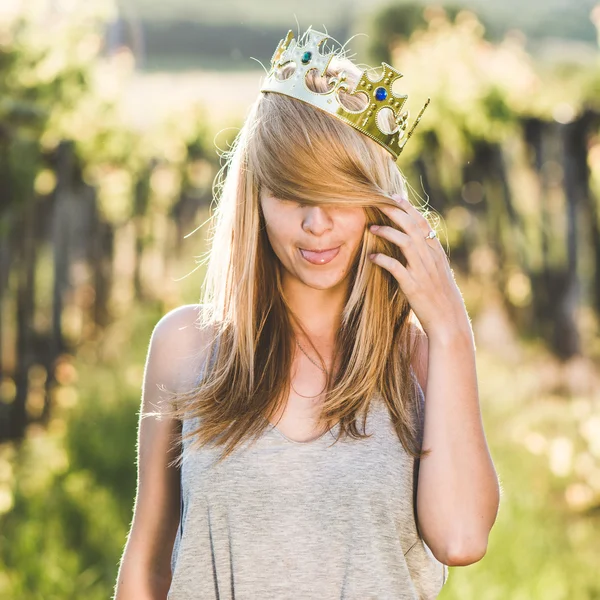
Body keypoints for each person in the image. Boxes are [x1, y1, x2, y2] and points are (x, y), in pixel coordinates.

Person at [114, 26, 500, 600]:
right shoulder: (184, 347)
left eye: (339, 193)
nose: (316, 223)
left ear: (378, 199)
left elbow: (463, 538)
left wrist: (451, 331)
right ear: (257, 197)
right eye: (293, 194)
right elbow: (147, 566)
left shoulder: (416, 358)